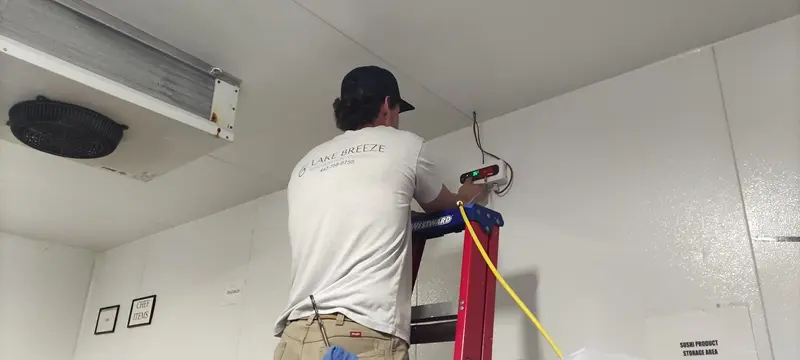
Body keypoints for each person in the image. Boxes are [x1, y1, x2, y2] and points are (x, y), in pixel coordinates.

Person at [272, 65, 487, 360]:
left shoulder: (304, 165)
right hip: (358, 335)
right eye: (398, 110)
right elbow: (444, 204)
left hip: (293, 338)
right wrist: (469, 192)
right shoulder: (406, 146)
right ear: (387, 106)